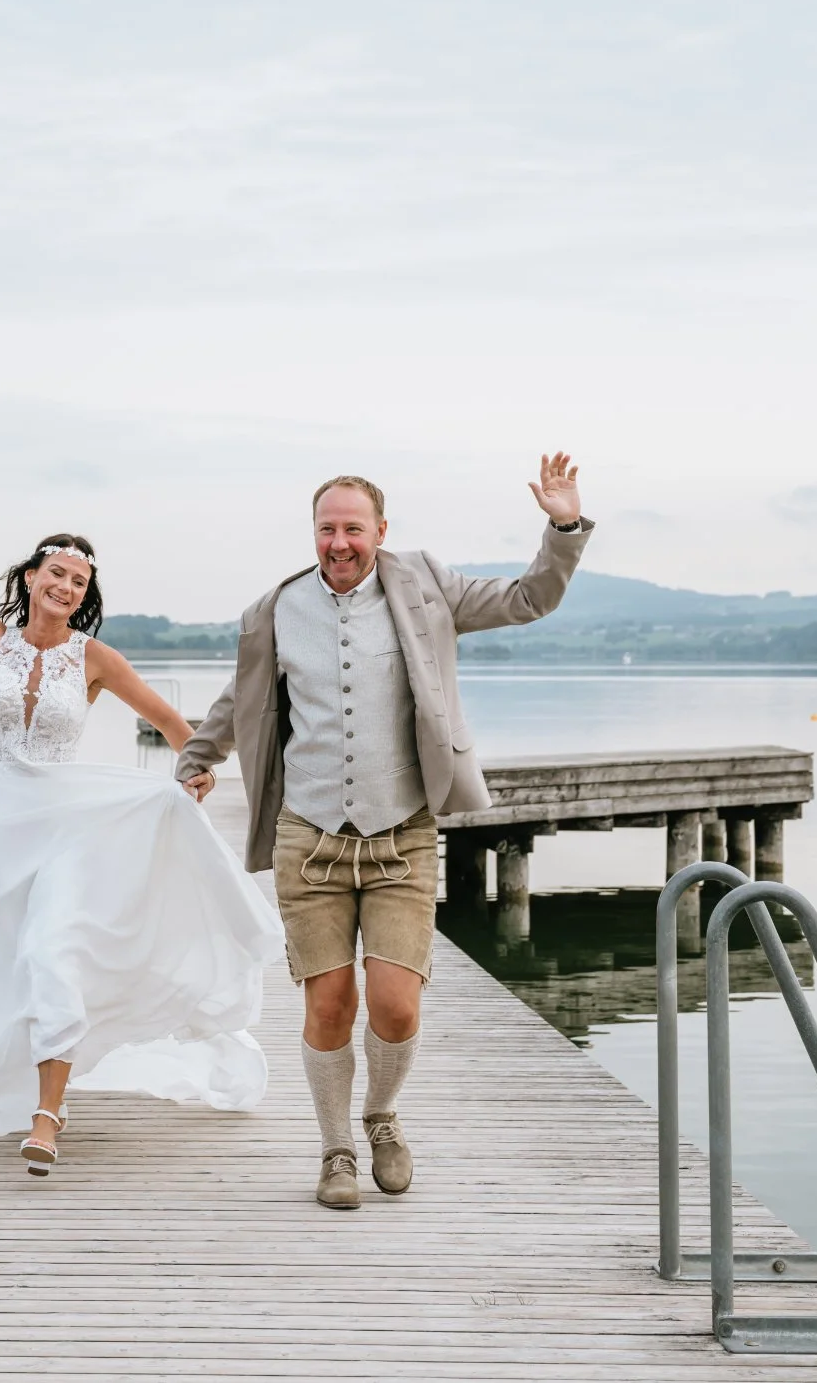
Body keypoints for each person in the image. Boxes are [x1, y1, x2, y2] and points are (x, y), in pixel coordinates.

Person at [0, 477, 282, 1175]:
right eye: (56, 574)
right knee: (7, 964)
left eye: (78, 580)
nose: (65, 587)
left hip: (68, 830)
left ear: (84, 593)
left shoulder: (95, 659)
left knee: (53, 949)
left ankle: (47, 1113)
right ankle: (12, 1075)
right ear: (31, 577)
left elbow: (171, 723)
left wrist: (195, 767)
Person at [175, 457, 591, 1209]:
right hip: (309, 834)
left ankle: (381, 1115)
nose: (339, 542)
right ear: (314, 533)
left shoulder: (426, 583)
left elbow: (530, 597)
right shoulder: (273, 609)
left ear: (380, 532)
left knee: (395, 1001)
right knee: (328, 1001)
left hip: (402, 831)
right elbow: (238, 700)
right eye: (326, 528)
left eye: (352, 528)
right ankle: (335, 1146)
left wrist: (562, 526)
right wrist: (198, 759)